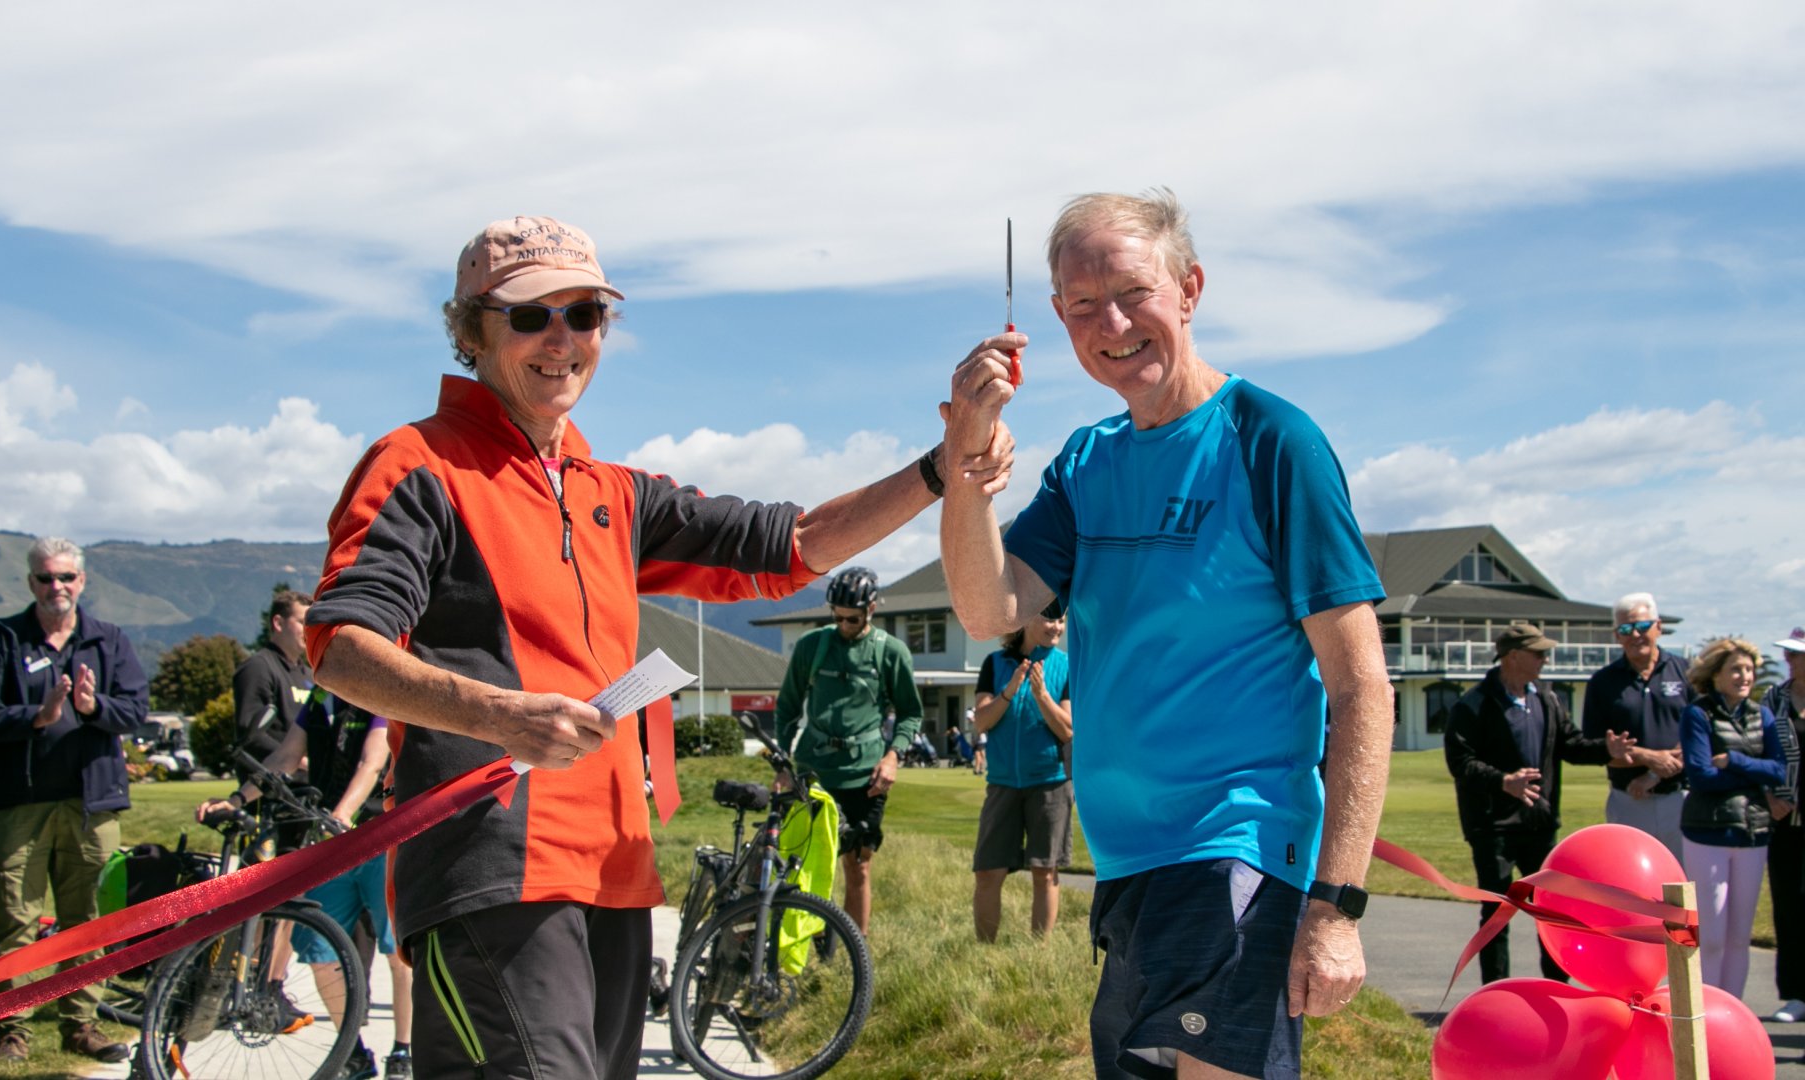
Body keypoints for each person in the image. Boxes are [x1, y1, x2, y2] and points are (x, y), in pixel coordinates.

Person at [304, 215, 1011, 1080]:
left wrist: (945, 463)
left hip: (615, 874)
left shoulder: (615, 494)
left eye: (585, 314)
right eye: (530, 316)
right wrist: (497, 714)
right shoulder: (418, 464)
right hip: (490, 871)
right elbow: (340, 643)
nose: (561, 338)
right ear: (470, 332)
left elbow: (795, 544)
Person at [940, 187, 1395, 1080]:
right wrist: (968, 453)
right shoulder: (1088, 459)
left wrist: (1336, 906)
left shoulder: (1271, 440)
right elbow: (990, 609)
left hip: (1236, 851)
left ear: (1189, 288)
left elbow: (1360, 686)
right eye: (1081, 306)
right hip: (1129, 863)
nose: (1111, 323)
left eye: (1132, 292)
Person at [0, 537, 147, 1063]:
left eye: (66, 577)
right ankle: (13, 1031)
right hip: (17, 804)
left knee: (87, 921)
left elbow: (135, 710)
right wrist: (35, 717)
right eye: (46, 578)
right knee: (14, 921)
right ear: (31, 583)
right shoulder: (3, 640)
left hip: (90, 804)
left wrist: (93, 707)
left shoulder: (108, 641)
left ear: (81, 581)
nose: (57, 587)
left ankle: (80, 1025)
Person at [198, 688, 414, 1079]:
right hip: (330, 846)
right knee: (318, 950)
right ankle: (353, 1051)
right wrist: (237, 799)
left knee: (396, 951)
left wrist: (342, 813)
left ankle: (403, 1049)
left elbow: (372, 761)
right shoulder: (317, 700)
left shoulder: (374, 693)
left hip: (375, 837)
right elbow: (285, 757)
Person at [1443, 622, 1632, 984]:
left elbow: (1570, 745)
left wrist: (1605, 751)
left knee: (1554, 909)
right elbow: (1461, 763)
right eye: (1539, 653)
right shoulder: (1474, 704)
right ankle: (1496, 991)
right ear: (1513, 656)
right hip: (1492, 827)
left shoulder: (1546, 698)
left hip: (1539, 823)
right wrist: (1503, 782)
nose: (1546, 659)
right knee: (1498, 912)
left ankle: (1558, 989)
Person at [775, 567, 924, 935]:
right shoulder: (812, 647)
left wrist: (893, 757)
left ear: (871, 609)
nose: (843, 624)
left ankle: (851, 954)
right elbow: (788, 707)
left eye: (852, 618)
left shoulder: (891, 653)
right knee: (803, 863)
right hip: (813, 772)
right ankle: (799, 946)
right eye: (837, 616)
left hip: (864, 776)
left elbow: (910, 714)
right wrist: (782, 761)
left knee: (858, 866)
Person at [1681, 636, 1785, 998]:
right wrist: (1754, 773)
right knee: (1710, 937)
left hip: (1753, 833)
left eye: (1749, 670)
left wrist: (1736, 761)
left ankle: (1732, 1012)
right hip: (1707, 832)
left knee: (1739, 937)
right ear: (1716, 675)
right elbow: (1700, 775)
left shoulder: (1762, 715)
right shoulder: (1698, 713)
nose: (1745, 676)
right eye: (1736, 669)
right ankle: (1705, 1016)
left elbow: (1779, 770)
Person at [970, 599, 1072, 942]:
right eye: (1050, 619)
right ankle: (985, 950)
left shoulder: (1066, 666)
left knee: (1045, 872)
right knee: (987, 872)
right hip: (1001, 784)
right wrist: (1010, 692)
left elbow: (1068, 730)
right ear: (1027, 620)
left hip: (1050, 784)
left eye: (1061, 621)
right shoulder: (994, 663)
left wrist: (1042, 696)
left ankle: (1037, 953)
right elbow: (981, 722)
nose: (1056, 627)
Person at [1581, 592, 1690, 858]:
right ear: (1617, 635)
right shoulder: (1602, 682)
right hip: (1628, 799)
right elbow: (1595, 747)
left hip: (1681, 799)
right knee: (1630, 889)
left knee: (1683, 886)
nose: (1635, 635)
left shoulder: (1687, 672)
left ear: (1659, 627)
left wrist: (1653, 775)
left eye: (1642, 626)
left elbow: (1703, 736)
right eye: (1626, 629)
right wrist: (1647, 757)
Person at [1767, 628, 1805, 1021]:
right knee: (1789, 906)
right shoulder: (1773, 698)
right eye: (1789, 654)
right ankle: (1795, 993)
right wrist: (1767, 796)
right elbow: (1755, 751)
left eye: (1797, 654)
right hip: (1784, 820)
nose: (1789, 660)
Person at [233, 589, 315, 764]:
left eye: (312, 623)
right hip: (270, 786)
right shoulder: (258, 667)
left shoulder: (311, 675)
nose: (309, 630)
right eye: (302, 622)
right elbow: (250, 734)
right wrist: (298, 762)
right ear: (278, 623)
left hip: (310, 785)